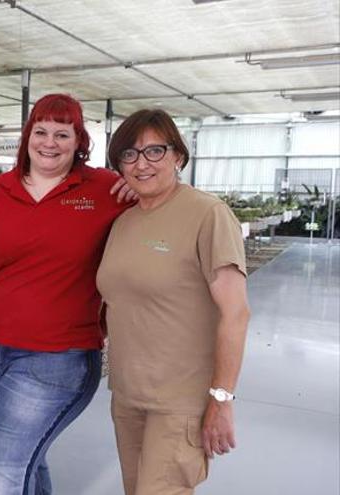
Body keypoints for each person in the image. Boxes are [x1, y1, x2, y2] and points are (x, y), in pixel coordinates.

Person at [0, 93, 132, 495]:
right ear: (26, 136)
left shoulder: (103, 188)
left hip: (57, 359)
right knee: (25, 462)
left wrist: (138, 191)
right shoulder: (0, 190)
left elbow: (151, 213)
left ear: (79, 141)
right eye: (41, 131)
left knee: (1, 474)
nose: (49, 142)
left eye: (62, 133)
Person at [97, 109, 250, 495]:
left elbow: (236, 313)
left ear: (178, 156)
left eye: (154, 151)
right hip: (128, 395)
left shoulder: (207, 214)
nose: (141, 163)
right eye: (129, 155)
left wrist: (221, 399)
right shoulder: (123, 222)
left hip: (180, 401)